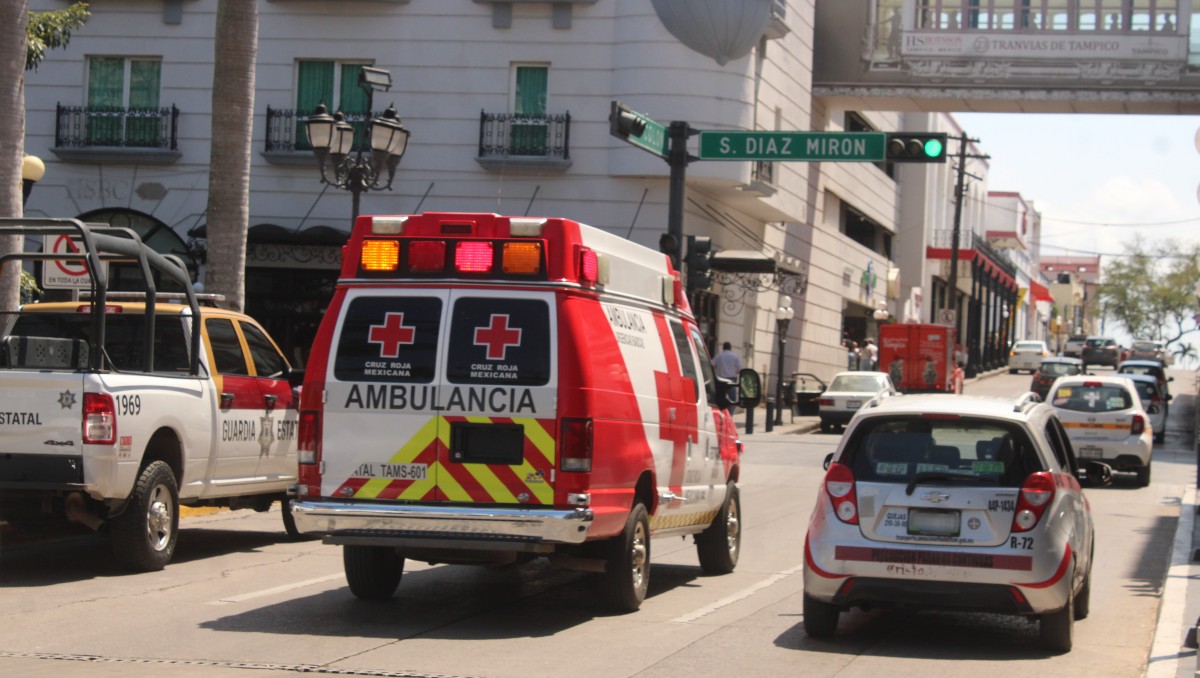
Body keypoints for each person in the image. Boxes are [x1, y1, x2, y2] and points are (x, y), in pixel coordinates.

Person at [712, 342, 743, 413]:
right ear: (730, 348)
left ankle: (723, 413)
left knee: (721, 399)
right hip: (732, 380)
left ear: (723, 348)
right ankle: (730, 414)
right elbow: (740, 369)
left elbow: (712, 364)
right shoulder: (735, 356)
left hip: (721, 380)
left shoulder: (719, 356)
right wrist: (735, 372)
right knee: (733, 400)